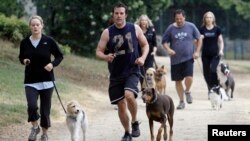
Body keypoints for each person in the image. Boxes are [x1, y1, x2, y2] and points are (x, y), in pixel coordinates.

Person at [96, 2, 149, 141]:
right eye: (116, 13)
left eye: (121, 13)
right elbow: (98, 52)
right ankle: (127, 132)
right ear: (113, 15)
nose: (119, 16)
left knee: (129, 95)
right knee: (120, 104)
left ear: (125, 14)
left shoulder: (135, 28)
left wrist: (143, 58)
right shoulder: (107, 32)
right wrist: (106, 56)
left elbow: (145, 45)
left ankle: (135, 121)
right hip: (115, 73)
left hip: (132, 69)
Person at [18, 15, 63, 141]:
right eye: (33, 25)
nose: (35, 27)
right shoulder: (25, 42)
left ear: (42, 26)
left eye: (38, 24)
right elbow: (21, 57)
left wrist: (52, 64)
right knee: (31, 106)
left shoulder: (49, 41)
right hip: (31, 81)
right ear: (30, 27)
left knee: (45, 111)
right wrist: (24, 60)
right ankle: (35, 127)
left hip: (47, 81)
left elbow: (59, 56)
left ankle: (44, 134)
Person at [162, 9, 202, 110]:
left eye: (180, 18)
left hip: (188, 57)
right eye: (177, 19)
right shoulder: (170, 28)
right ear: (174, 18)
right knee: (178, 81)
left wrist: (197, 52)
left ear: (184, 17)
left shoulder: (191, 26)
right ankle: (181, 101)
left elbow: (199, 39)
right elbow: (164, 42)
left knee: (189, 77)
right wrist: (169, 49)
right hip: (175, 59)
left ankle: (187, 91)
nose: (179, 20)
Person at [199, 11, 224, 97]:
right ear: (204, 19)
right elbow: (197, 42)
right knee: (206, 73)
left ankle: (216, 87)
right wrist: (199, 39)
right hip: (205, 54)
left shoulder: (217, 29)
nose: (209, 19)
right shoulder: (202, 29)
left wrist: (221, 50)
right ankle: (210, 89)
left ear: (213, 19)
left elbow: (221, 41)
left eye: (210, 17)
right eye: (207, 17)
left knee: (212, 70)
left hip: (215, 54)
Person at [135, 14, 157, 87]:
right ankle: (143, 88)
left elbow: (155, 43)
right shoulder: (136, 30)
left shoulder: (152, 29)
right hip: (139, 54)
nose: (143, 22)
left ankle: (151, 89)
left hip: (149, 55)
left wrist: (154, 51)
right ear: (140, 21)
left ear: (147, 22)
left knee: (149, 72)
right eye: (142, 20)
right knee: (141, 73)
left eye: (145, 20)